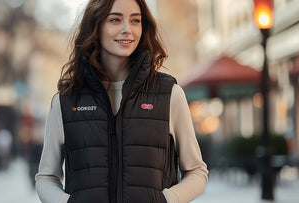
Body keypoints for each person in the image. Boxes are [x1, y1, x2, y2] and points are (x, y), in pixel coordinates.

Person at [35, 0, 208, 202]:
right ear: (96, 26)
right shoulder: (66, 101)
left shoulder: (169, 95)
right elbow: (46, 177)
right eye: (115, 19)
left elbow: (197, 171)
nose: (127, 29)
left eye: (135, 20)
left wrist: (166, 200)